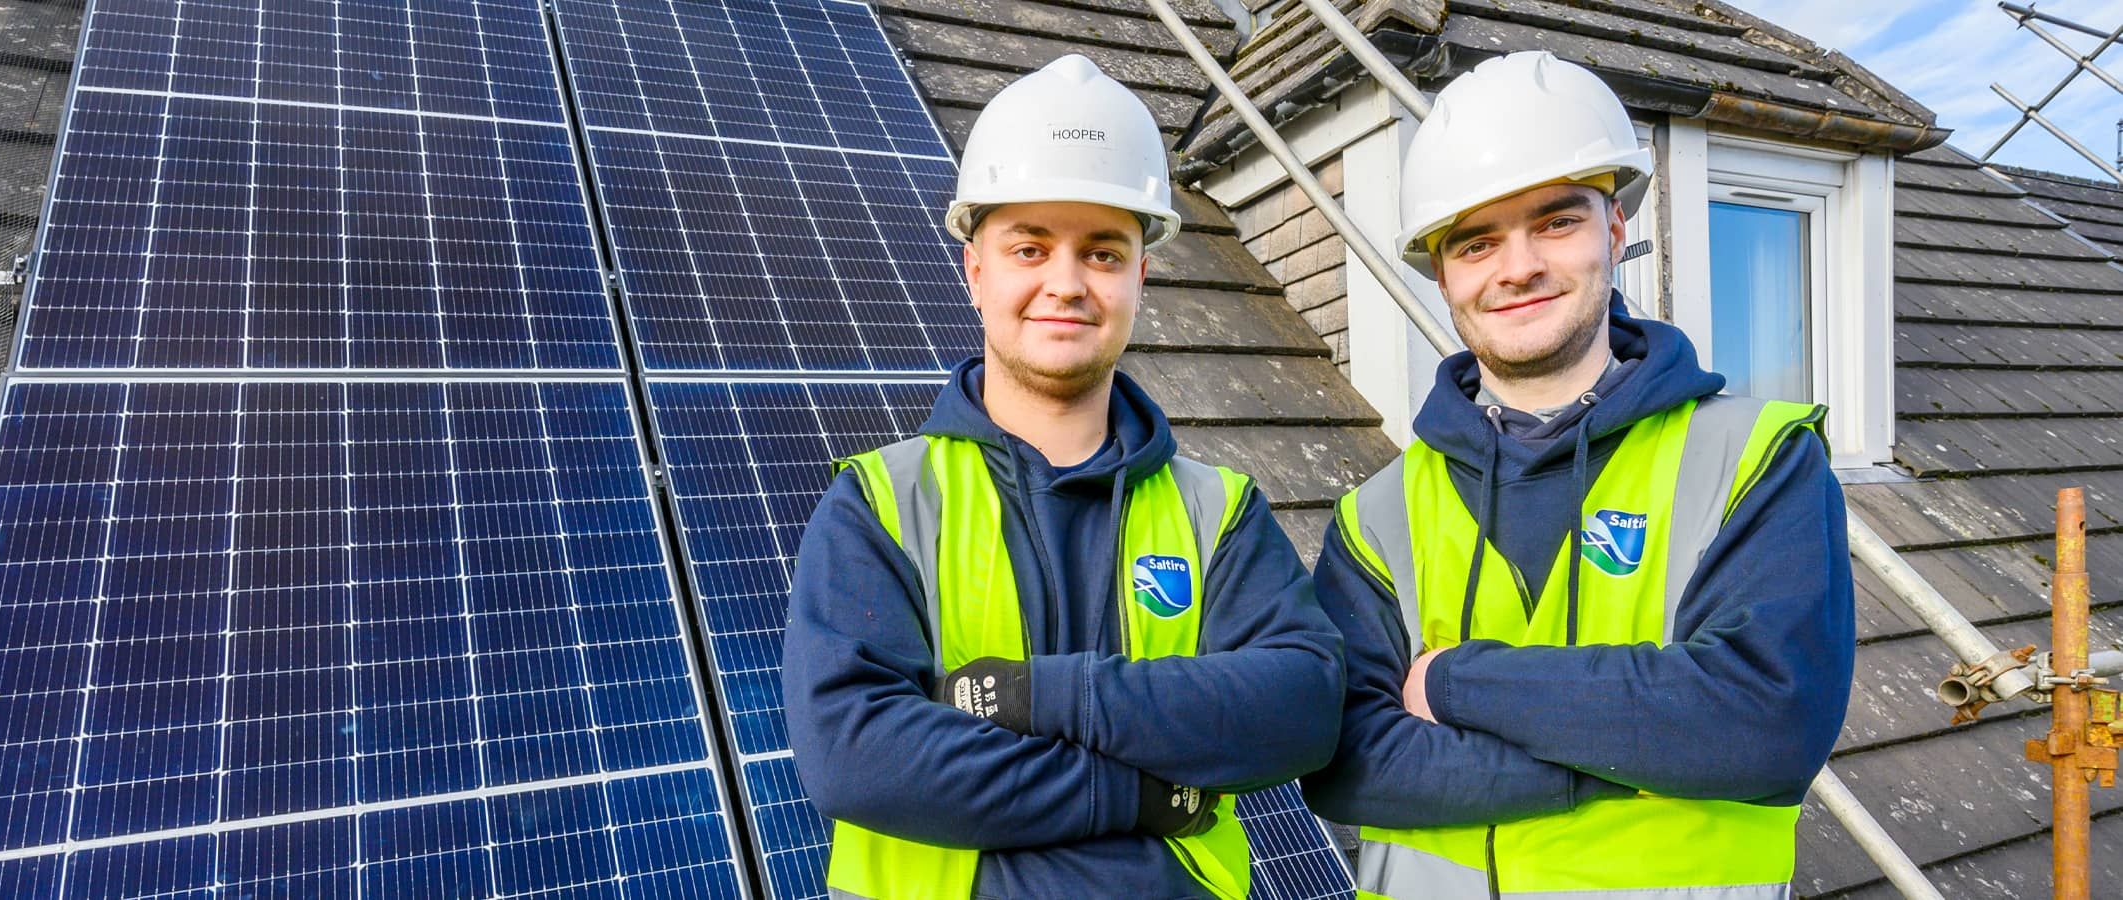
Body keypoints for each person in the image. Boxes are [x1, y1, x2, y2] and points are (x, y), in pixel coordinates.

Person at [780, 54, 1346, 899]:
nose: (1067, 283)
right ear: (978, 272)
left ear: (1141, 277)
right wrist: (1140, 793)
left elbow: (1300, 711)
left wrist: (1034, 696)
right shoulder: (880, 504)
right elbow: (857, 757)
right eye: (1030, 247)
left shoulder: (1216, 513)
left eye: (1103, 252)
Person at [1302, 51, 1854, 899]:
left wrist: (1451, 681)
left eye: (1556, 222)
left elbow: (1760, 727)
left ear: (1617, 231)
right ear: (1442, 273)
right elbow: (1342, 766)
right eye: (1477, 241)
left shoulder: (1754, 459)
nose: (1517, 266)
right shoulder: (1378, 515)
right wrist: (1619, 755)